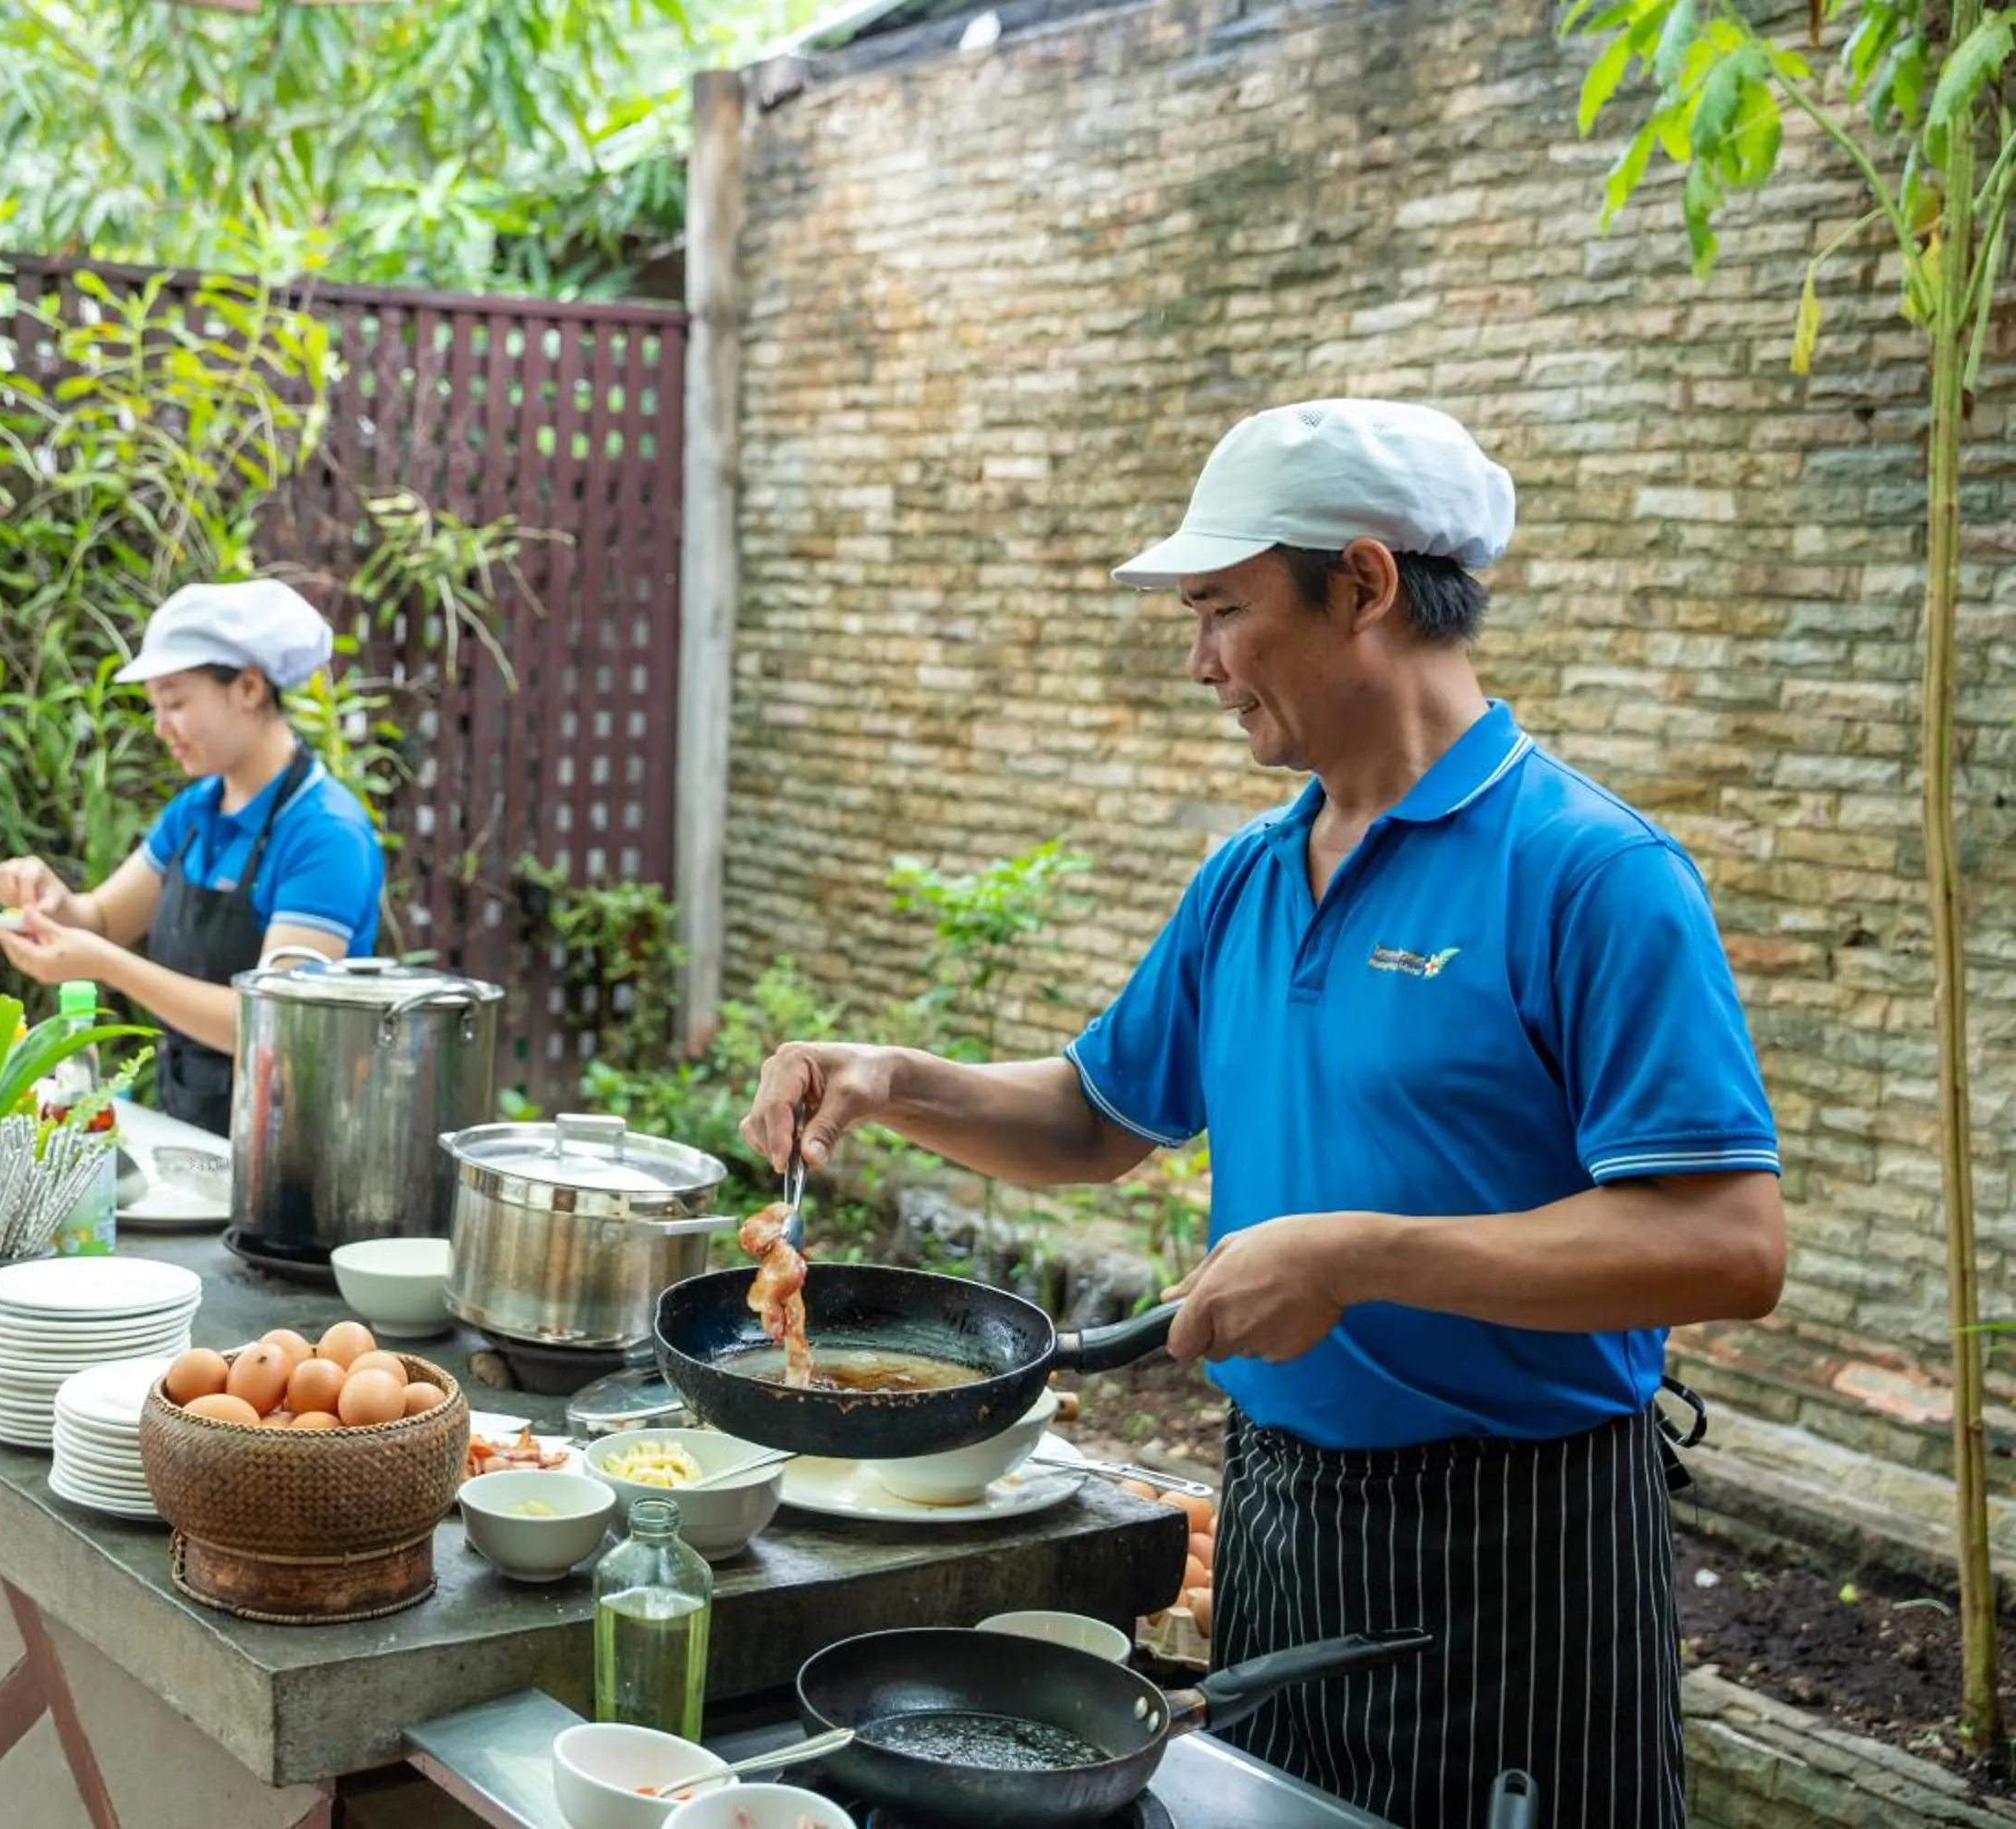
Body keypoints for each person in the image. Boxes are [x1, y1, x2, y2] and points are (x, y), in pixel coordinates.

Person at [738, 400, 1785, 1829]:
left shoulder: (1592, 876)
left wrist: (1356, 1258)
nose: (1201, 663)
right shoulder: (1250, 873)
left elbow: (1729, 1244)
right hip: (1283, 1516)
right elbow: (1096, 1119)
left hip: (1522, 1550)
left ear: (1362, 583)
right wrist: (895, 1079)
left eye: (1224, 611)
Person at [0, 579, 383, 1133]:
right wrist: (49, 899)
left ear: (248, 687)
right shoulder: (196, 811)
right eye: (155, 707)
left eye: (175, 703)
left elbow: (278, 1027)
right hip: (194, 1130)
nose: (160, 727)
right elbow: (103, 920)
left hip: (294, 1142)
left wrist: (105, 964)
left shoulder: (325, 833)